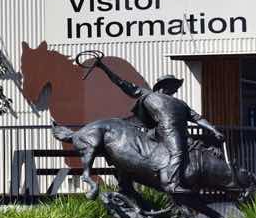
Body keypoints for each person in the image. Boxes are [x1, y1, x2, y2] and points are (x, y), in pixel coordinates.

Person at [94, 59, 225, 193]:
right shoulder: (149, 95)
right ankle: (173, 183)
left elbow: (198, 118)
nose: (176, 89)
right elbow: (122, 83)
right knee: (178, 153)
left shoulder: (180, 103)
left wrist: (213, 130)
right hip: (165, 132)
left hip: (182, 134)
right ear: (166, 85)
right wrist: (104, 68)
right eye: (174, 85)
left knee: (196, 152)